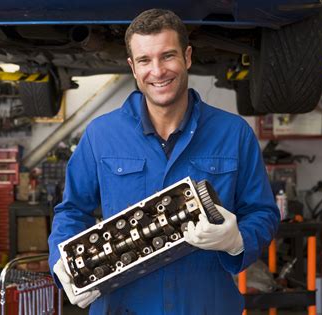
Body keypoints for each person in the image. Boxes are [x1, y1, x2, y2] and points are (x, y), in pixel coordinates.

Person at [48, 8, 279, 315]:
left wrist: (238, 240)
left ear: (187, 57)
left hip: (205, 305)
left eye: (168, 56)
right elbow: (72, 210)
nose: (157, 71)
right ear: (133, 66)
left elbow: (262, 211)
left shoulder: (233, 133)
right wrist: (60, 260)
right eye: (145, 60)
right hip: (123, 307)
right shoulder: (101, 135)